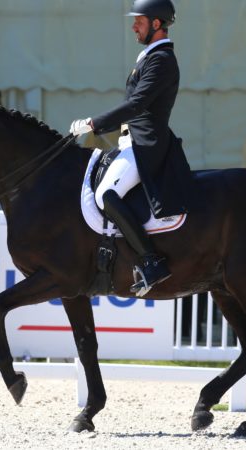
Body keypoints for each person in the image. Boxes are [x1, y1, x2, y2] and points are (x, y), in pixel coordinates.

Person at [69, 0, 194, 296]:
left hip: (147, 144)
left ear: (156, 23)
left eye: (139, 20)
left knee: (106, 195)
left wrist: (94, 123)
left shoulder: (162, 59)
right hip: (131, 141)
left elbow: (137, 105)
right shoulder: (148, 56)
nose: (133, 25)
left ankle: (152, 262)